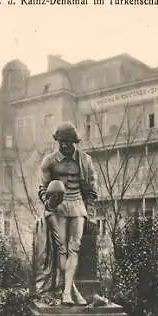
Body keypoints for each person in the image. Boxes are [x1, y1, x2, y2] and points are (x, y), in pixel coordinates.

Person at [37, 121, 98, 305]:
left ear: (74, 141)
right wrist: (48, 201)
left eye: (67, 141)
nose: (63, 145)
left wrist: (91, 214)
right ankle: (69, 293)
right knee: (61, 249)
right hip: (57, 208)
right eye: (60, 141)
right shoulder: (49, 161)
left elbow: (91, 190)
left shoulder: (85, 160)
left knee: (74, 248)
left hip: (78, 205)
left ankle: (68, 291)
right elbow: (42, 188)